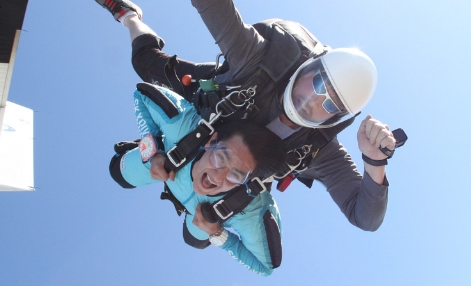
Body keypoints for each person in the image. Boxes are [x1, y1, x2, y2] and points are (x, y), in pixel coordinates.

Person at [95, 0, 399, 232]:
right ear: (310, 65)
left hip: (224, 166)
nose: (315, 99)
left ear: (337, 119)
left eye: (331, 105)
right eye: (319, 82)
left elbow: (365, 218)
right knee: (146, 63)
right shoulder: (256, 58)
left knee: (202, 227)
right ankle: (129, 16)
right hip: (213, 101)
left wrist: (375, 163)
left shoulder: (320, 150)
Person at [108, 83, 288, 276]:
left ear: (248, 181)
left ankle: (160, 146)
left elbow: (266, 268)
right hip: (167, 160)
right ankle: (158, 143)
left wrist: (219, 235)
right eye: (221, 157)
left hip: (202, 215)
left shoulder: (249, 208)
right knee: (118, 172)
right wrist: (152, 153)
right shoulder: (183, 128)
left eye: (236, 175)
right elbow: (141, 93)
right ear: (211, 140)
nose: (217, 176)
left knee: (194, 240)